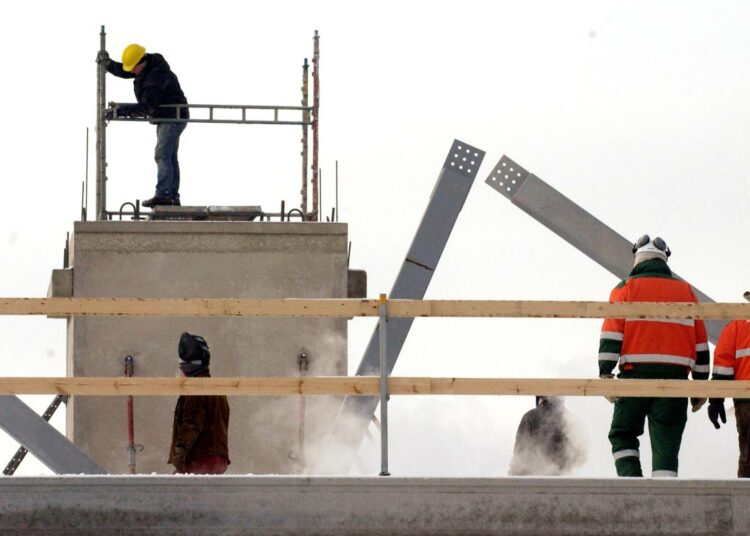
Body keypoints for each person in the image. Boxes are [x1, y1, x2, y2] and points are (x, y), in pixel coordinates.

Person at [598, 235, 710, 477]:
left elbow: (611, 334)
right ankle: (665, 494)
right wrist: (700, 385)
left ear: (636, 257)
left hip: (634, 377)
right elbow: (700, 341)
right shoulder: (686, 292)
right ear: (665, 258)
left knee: (623, 433)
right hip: (675, 381)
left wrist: (605, 373)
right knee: (667, 441)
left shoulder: (624, 288)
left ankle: (632, 486)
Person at [97, 44, 189, 207]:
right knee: (169, 156)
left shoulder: (155, 77)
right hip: (171, 116)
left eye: (133, 68)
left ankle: (165, 195)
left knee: (162, 154)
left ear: (141, 62)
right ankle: (172, 195)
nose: (131, 72)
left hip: (172, 118)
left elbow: (147, 107)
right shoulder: (148, 65)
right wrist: (109, 64)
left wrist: (120, 111)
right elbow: (126, 71)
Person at [168, 332, 230, 474]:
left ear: (186, 366)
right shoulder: (218, 389)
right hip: (218, 458)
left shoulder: (195, 387)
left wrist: (179, 455)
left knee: (180, 495)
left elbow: (192, 423)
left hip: (199, 458)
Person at [707, 310, 750, 477]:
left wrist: (716, 400)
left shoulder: (737, 326)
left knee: (748, 456)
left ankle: (745, 500)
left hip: (746, 400)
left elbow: (723, 366)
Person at [508, 396, 585, 476]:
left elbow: (519, 458)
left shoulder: (530, 417)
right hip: (565, 482)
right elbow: (580, 457)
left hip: (536, 482)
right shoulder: (572, 421)